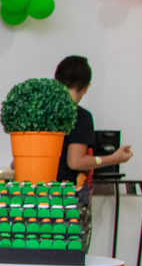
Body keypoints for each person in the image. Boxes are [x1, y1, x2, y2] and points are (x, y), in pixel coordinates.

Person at [54, 55, 133, 244]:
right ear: (86, 86)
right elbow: (75, 161)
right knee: (73, 262)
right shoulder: (80, 117)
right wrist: (113, 158)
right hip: (70, 201)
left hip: (41, 199)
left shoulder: (42, 113)